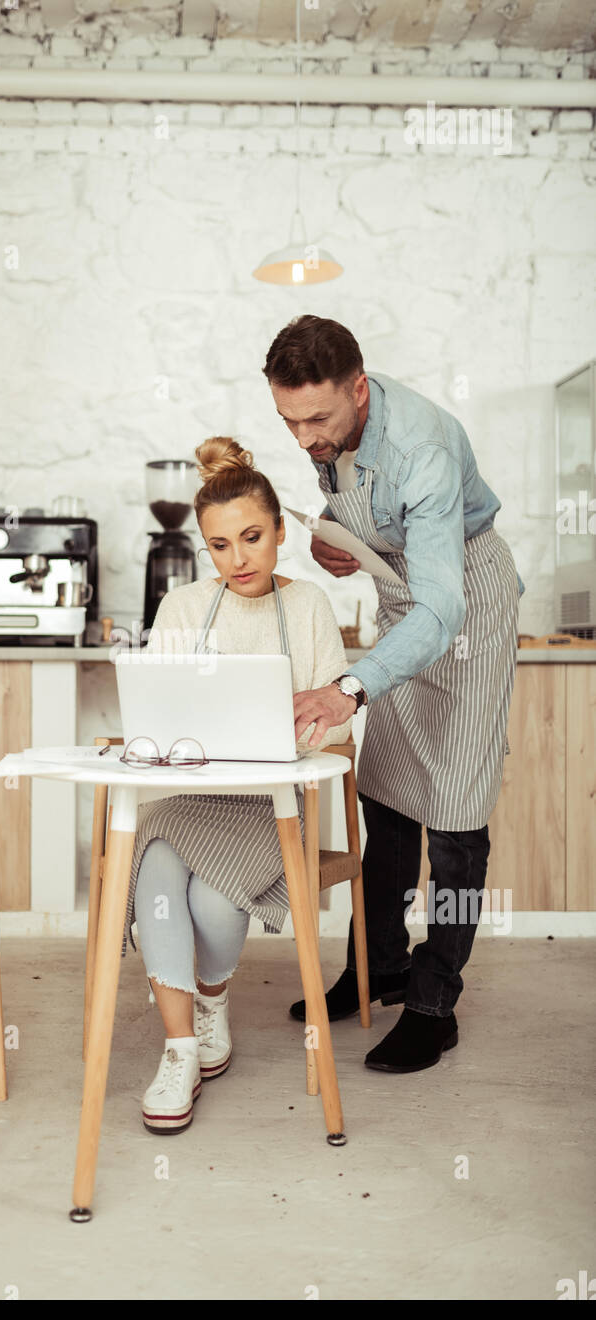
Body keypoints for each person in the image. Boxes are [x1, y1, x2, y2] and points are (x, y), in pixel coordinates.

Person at [263, 314, 523, 1074]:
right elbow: (357, 501)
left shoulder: (424, 450)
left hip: (464, 600)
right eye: (290, 421)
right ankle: (376, 970)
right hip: (404, 594)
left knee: (454, 816)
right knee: (388, 798)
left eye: (319, 418)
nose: (307, 435)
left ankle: (434, 1005)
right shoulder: (329, 433)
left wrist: (351, 685)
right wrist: (338, 539)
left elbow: (444, 608)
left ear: (360, 388)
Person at [122, 435, 352, 1134]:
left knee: (213, 900)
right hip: (189, 797)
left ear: (280, 531)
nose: (238, 559)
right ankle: (182, 1047)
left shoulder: (309, 606)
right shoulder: (183, 609)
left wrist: (295, 731)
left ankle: (211, 998)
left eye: (252, 538)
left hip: (273, 806)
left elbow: (337, 731)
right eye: (220, 546)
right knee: (157, 872)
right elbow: (157, 715)